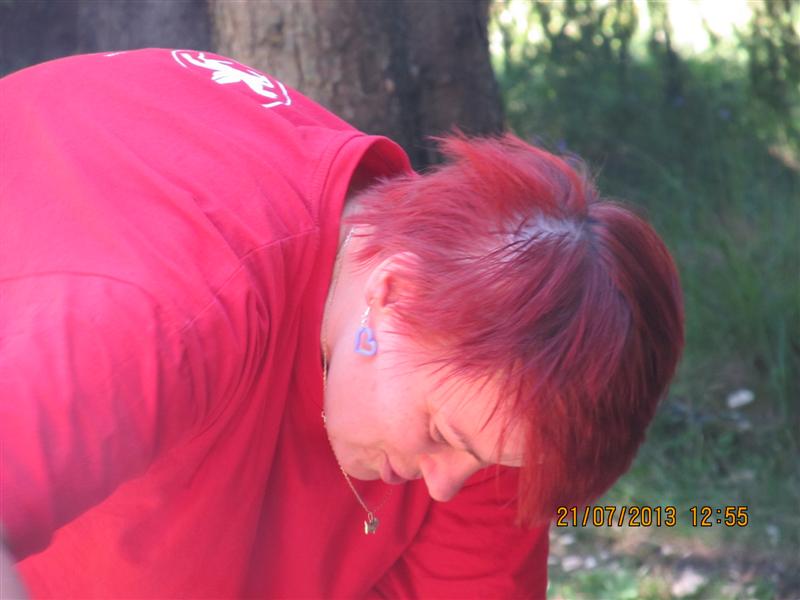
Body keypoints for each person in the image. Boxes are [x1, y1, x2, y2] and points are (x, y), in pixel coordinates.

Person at [0, 49, 684, 599]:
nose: (446, 484)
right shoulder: (176, 307)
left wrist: (470, 444)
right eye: (442, 435)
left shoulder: (493, 402)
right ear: (392, 292)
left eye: (486, 458)